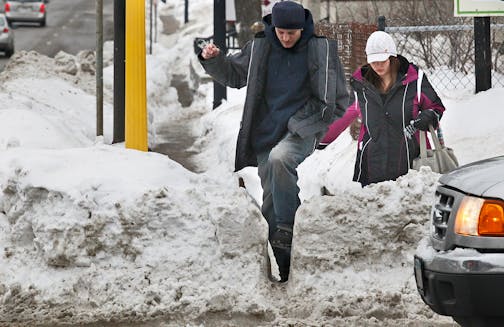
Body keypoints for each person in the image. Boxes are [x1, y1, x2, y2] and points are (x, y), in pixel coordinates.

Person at [198, 1, 349, 282]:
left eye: (292, 33)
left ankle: (289, 234)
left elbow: (340, 98)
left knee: (281, 160)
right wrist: (214, 60)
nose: (286, 38)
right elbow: (233, 75)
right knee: (272, 197)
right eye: (281, 32)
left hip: (301, 129)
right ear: (273, 27)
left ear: (302, 29)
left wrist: (313, 122)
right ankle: (288, 263)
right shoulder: (260, 47)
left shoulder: (319, 49)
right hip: (267, 131)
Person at [320, 31, 445, 187]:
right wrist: (320, 139)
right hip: (372, 162)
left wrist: (429, 116)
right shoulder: (361, 84)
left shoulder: (415, 80)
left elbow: (436, 107)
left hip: (409, 159)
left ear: (392, 57)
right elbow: (345, 113)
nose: (378, 65)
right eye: (373, 61)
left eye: (382, 60)